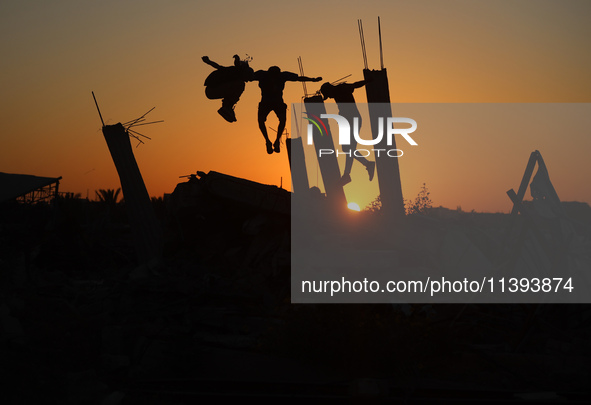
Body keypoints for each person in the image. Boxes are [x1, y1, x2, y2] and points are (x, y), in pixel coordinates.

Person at [253, 66, 322, 154]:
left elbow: (298, 78)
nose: (274, 78)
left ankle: (276, 141)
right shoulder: (263, 75)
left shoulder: (281, 76)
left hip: (276, 102)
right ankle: (268, 141)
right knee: (261, 121)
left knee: (281, 120)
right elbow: (248, 76)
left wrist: (312, 79)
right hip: (267, 102)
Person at [320, 80, 375, 185]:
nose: (330, 97)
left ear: (330, 89)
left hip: (353, 121)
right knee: (347, 148)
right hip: (347, 122)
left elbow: (355, 84)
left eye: (328, 94)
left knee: (349, 148)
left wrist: (368, 81)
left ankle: (348, 174)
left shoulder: (342, 88)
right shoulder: (336, 93)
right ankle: (365, 165)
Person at [202, 55, 254, 123]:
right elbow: (220, 67)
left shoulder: (234, 72)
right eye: (246, 79)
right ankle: (227, 107)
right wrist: (208, 61)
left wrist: (208, 61)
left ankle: (227, 107)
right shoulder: (235, 72)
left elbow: (219, 67)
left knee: (237, 86)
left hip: (211, 90)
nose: (246, 81)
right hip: (212, 90)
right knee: (240, 85)